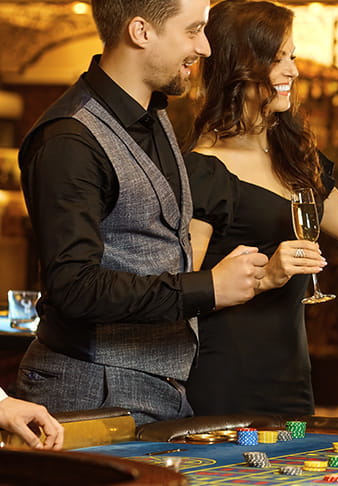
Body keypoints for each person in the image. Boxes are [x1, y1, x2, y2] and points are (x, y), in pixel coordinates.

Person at [16, 0, 267, 425]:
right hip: (91, 392)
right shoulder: (70, 139)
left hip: (154, 390)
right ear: (141, 32)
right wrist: (207, 288)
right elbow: (73, 287)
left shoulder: (152, 111)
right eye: (192, 31)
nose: (204, 47)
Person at [182, 0, 338, 416]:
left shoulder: (294, 154)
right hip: (225, 376)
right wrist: (267, 275)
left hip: (291, 376)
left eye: (292, 57)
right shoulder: (204, 168)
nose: (293, 71)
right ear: (238, 65)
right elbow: (181, 292)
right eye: (277, 58)